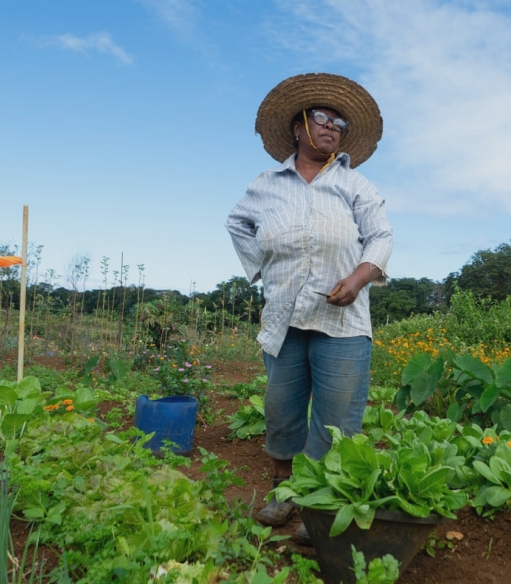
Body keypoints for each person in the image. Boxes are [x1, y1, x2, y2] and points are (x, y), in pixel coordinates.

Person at [226, 72, 392, 544]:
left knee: (337, 418)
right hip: (283, 316)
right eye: (323, 118)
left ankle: (320, 507)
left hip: (343, 319)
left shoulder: (355, 185)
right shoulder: (266, 184)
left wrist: (360, 279)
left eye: (339, 123)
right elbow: (237, 224)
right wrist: (262, 269)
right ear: (298, 127)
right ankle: (286, 494)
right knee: (281, 410)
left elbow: (381, 236)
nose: (333, 127)